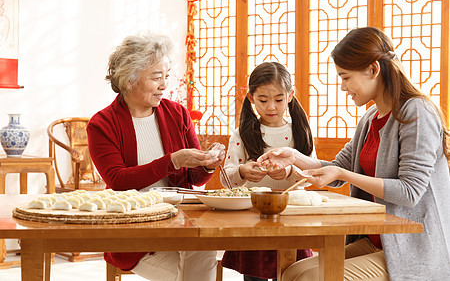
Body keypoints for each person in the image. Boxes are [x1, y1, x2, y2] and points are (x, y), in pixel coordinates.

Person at [257, 27, 450, 280]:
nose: (342, 86)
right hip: (378, 242)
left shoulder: (416, 112)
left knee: (309, 278)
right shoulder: (370, 118)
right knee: (294, 271)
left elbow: (409, 192)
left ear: (373, 70)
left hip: (415, 247)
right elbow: (337, 169)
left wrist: (343, 173)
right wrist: (294, 157)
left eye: (346, 77)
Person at [86, 33, 225, 281]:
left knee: (204, 243)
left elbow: (195, 177)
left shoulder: (177, 114)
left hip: (180, 221)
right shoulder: (102, 124)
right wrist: (172, 161)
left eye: (166, 77)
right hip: (135, 232)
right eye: (156, 77)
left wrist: (208, 164)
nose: (164, 85)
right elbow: (117, 180)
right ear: (129, 80)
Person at [220, 62, 315, 281]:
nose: (271, 107)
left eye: (279, 100)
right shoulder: (241, 134)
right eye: (263, 100)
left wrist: (290, 170)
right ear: (251, 97)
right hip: (254, 219)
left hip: (291, 219)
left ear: (290, 96)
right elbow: (226, 179)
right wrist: (242, 172)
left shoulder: (299, 130)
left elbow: (313, 175)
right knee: (254, 276)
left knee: (294, 273)